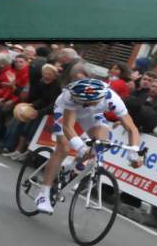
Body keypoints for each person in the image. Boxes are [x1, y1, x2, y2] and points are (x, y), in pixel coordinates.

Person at [34, 76, 142, 214]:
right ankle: (44, 193)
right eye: (83, 102)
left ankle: (70, 168)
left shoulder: (112, 99)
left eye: (89, 102)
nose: (85, 105)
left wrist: (133, 153)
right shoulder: (70, 97)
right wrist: (80, 147)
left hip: (92, 115)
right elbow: (68, 127)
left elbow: (132, 128)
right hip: (65, 111)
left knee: (100, 143)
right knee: (64, 147)